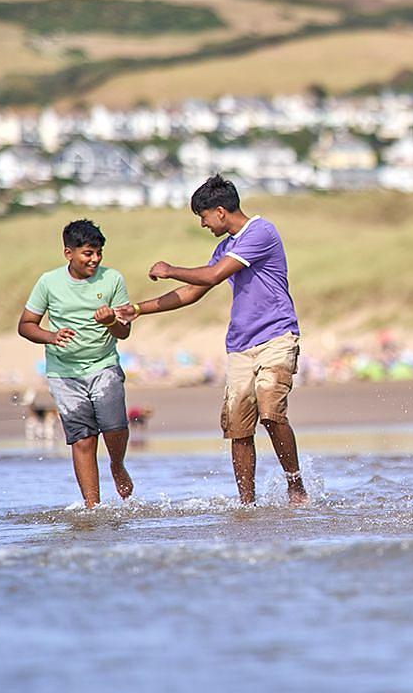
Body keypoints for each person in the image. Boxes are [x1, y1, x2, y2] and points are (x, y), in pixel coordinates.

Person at [114, 175, 306, 505]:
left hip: (276, 335)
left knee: (271, 411)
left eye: (203, 217)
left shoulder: (261, 232)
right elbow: (192, 292)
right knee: (239, 428)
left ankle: (295, 485)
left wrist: (170, 268)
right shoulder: (224, 248)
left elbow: (214, 275)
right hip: (240, 345)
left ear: (220, 211)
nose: (203, 224)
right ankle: (247, 503)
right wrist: (137, 309)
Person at [17, 219, 134, 509]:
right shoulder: (48, 282)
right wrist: (51, 336)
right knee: (82, 439)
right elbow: (26, 325)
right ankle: (93, 507)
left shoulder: (112, 280)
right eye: (88, 253)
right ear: (68, 253)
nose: (95, 259)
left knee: (115, 428)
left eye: (98, 253)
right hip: (63, 373)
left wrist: (111, 322)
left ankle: (117, 465)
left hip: (103, 365)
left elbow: (124, 331)